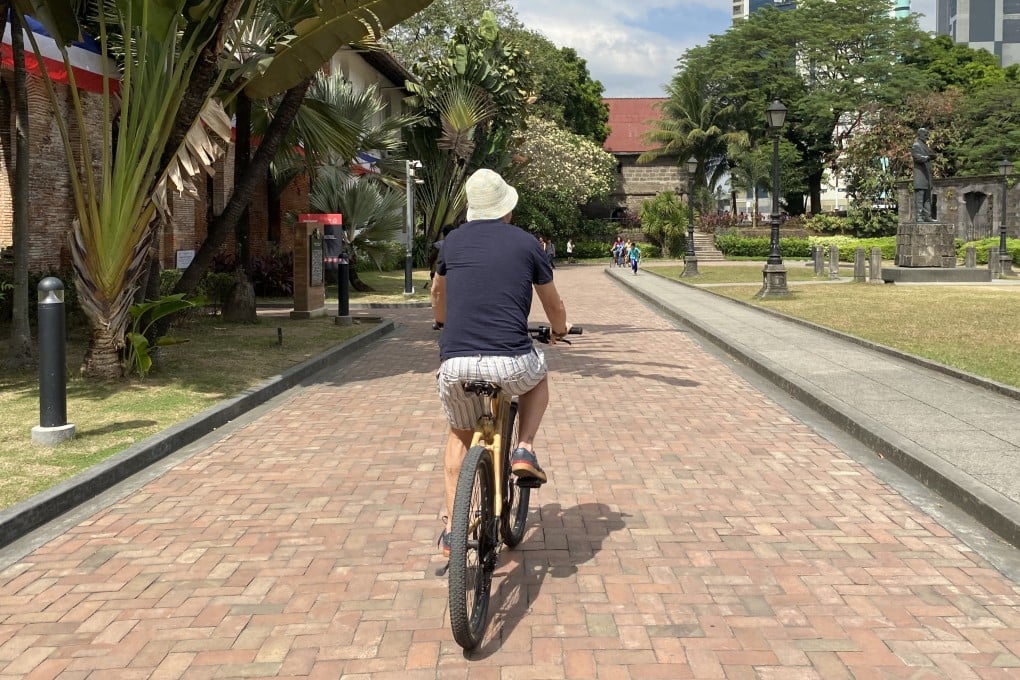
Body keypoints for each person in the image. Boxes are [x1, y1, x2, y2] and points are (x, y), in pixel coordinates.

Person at [430, 168, 570, 556]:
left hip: (456, 365)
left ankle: (451, 528)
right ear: (506, 209)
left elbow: (437, 291)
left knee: (459, 434)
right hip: (510, 362)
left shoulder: (452, 243)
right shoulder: (528, 245)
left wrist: (442, 322)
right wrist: (558, 330)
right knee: (538, 377)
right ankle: (523, 447)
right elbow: (553, 305)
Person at [912, 127, 936, 223]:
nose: (927, 137)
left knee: (927, 198)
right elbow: (917, 157)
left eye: (927, 135)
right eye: (925, 135)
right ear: (920, 135)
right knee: (920, 198)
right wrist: (928, 157)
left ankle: (927, 216)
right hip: (920, 176)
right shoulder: (916, 145)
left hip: (927, 176)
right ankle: (919, 217)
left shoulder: (925, 146)